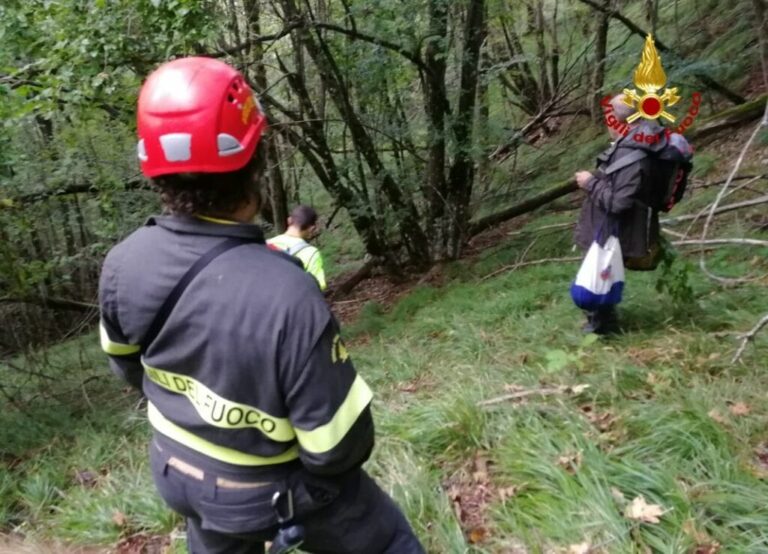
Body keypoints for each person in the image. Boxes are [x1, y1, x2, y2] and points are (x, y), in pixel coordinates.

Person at [98, 56, 424, 554]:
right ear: (255, 158)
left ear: (153, 168)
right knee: (387, 542)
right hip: (270, 492)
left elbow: (127, 367)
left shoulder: (122, 263)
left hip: (175, 469)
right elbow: (335, 447)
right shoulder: (288, 293)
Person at [573, 94, 668, 334]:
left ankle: (601, 329)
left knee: (598, 278)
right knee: (606, 274)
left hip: (615, 227)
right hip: (619, 226)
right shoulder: (642, 142)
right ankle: (604, 324)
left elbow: (619, 202)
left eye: (609, 118)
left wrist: (589, 183)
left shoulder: (632, 151)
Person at [268, 206, 327, 291]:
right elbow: (319, 285)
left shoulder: (266, 244)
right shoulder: (311, 252)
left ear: (289, 220)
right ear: (312, 228)